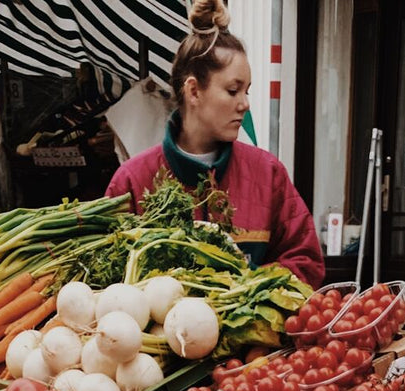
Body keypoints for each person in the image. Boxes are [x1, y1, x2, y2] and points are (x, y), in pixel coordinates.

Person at [107, 0, 324, 287]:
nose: (245, 104)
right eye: (233, 90)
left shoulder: (268, 174)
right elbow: (107, 274)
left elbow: (306, 261)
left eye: (246, 91)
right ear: (194, 91)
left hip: (250, 330)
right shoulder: (133, 181)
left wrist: (245, 289)